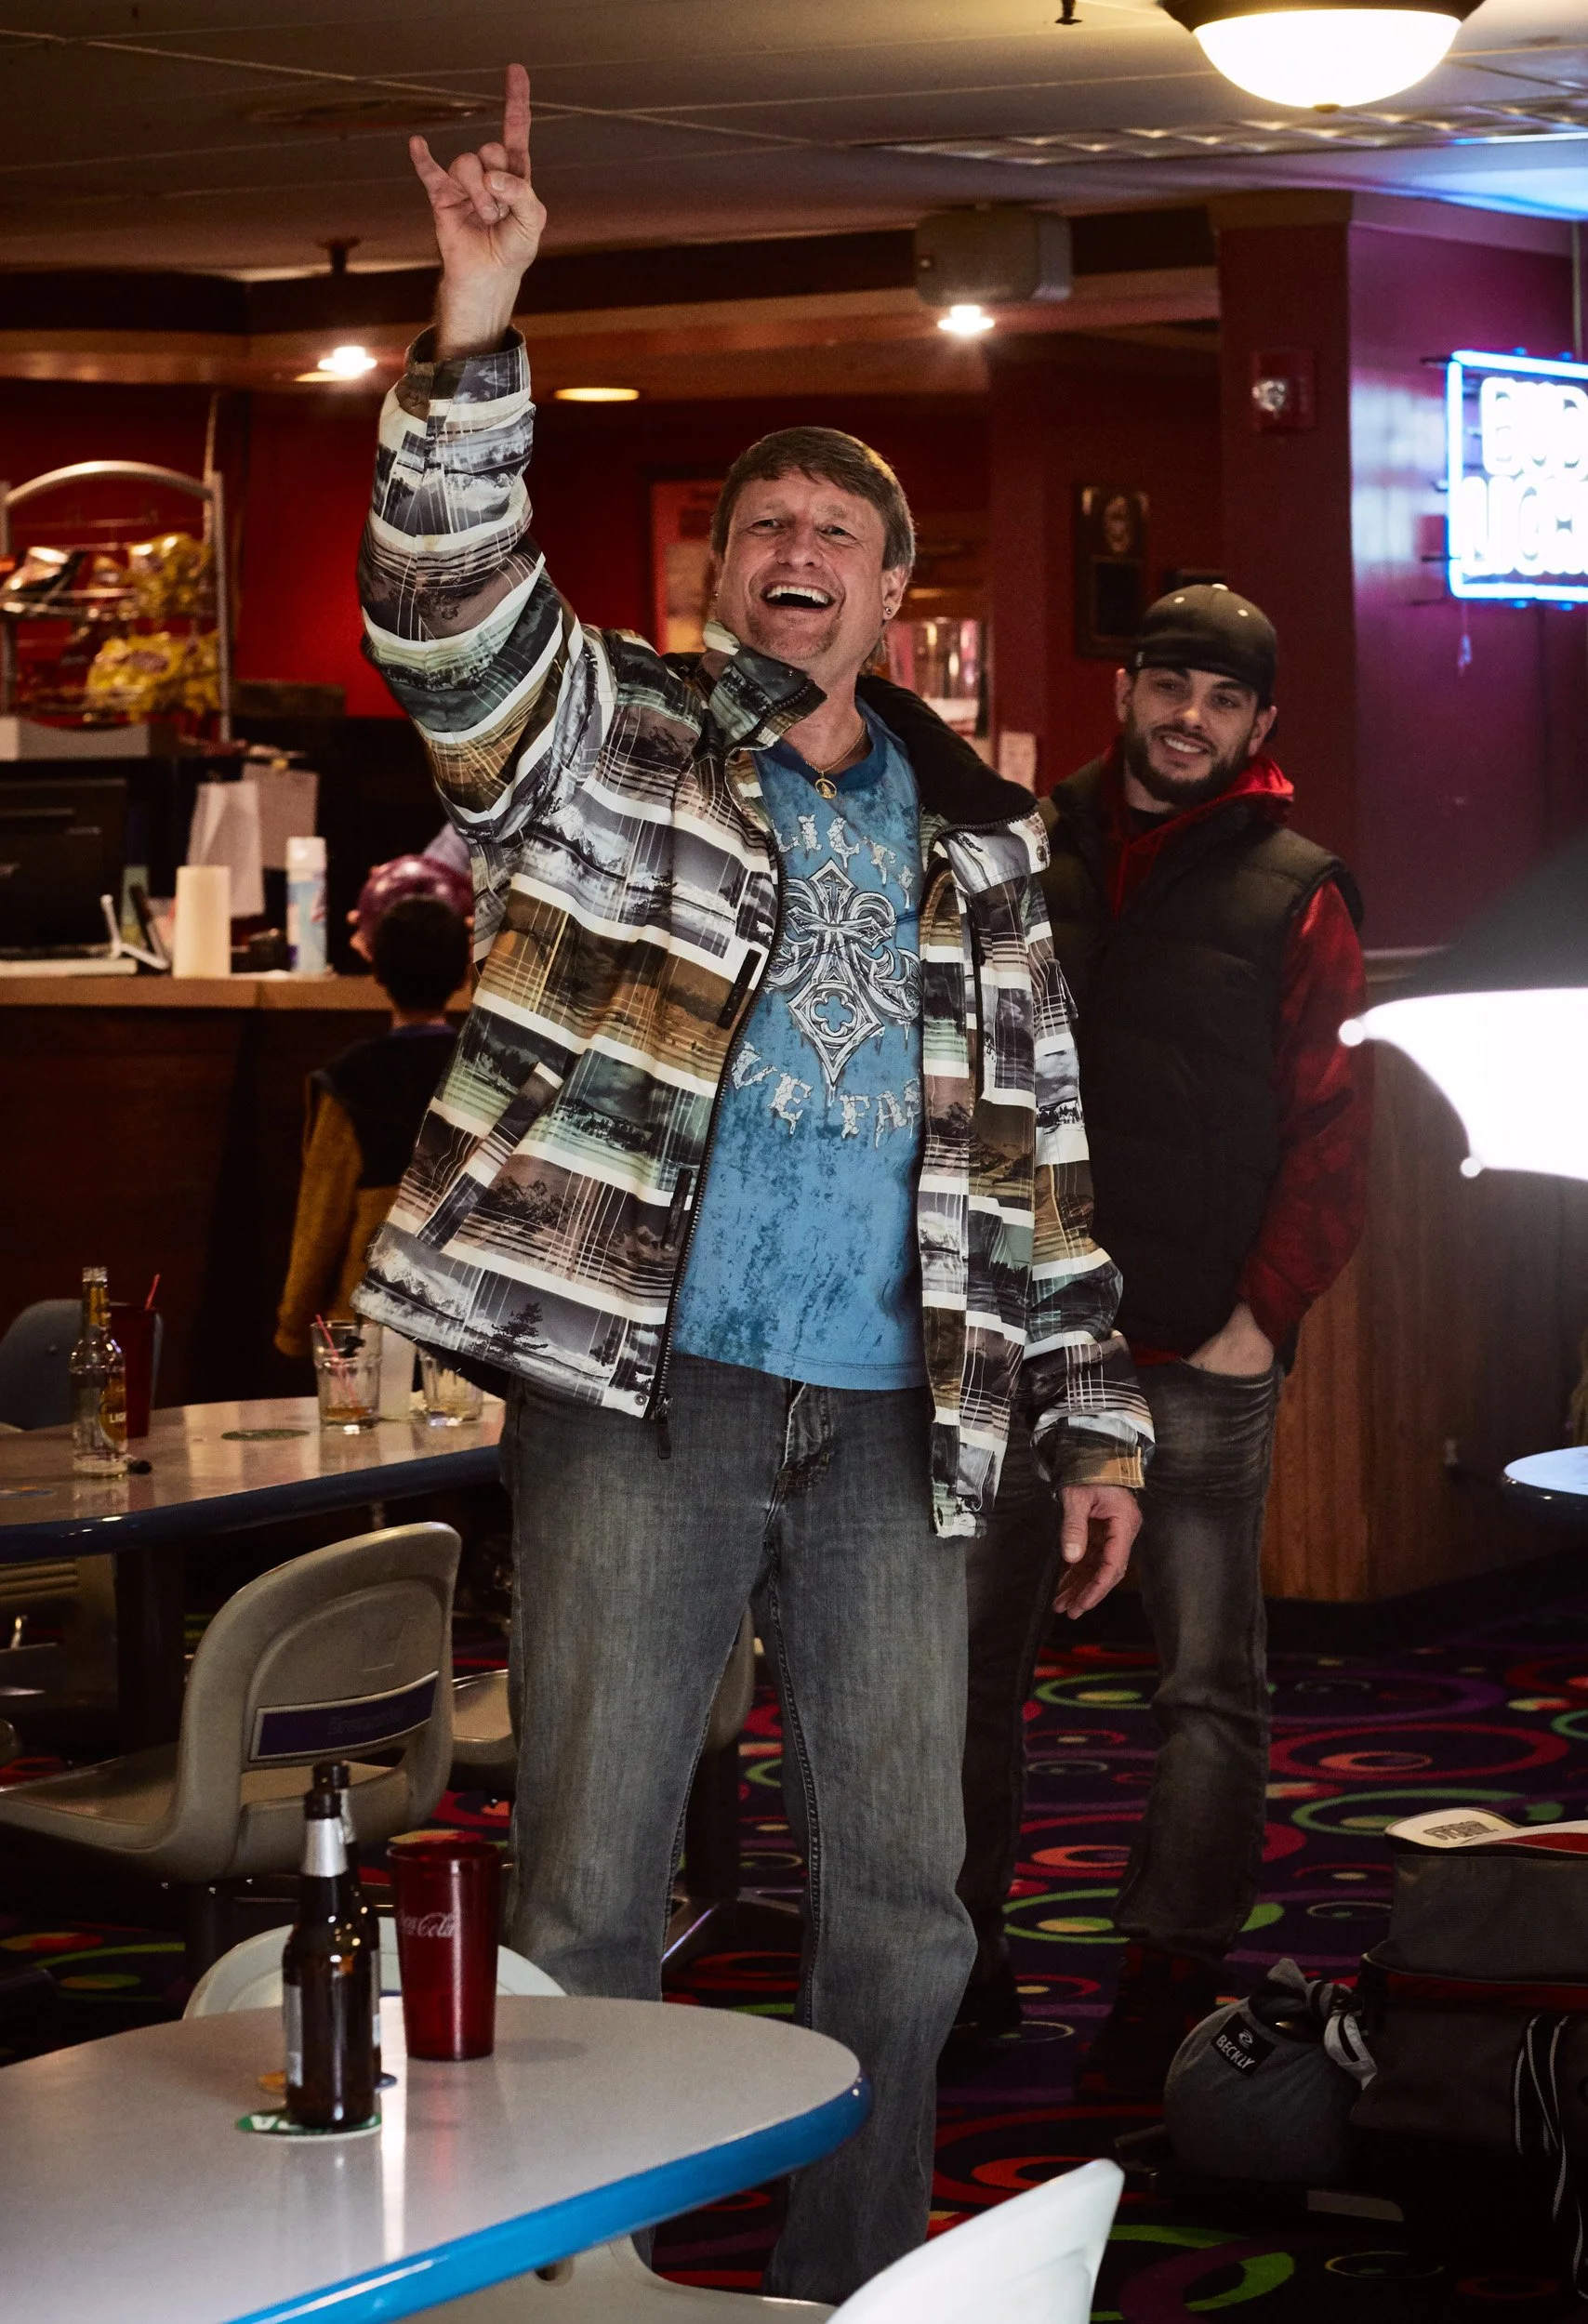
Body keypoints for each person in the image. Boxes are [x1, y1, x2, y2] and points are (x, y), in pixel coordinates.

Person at [349, 64, 1151, 2304]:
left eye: (839, 534)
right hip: (652, 1389)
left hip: (900, 1422)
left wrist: (1090, 1412)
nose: (794, 554)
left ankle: (851, 2275)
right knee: (592, 1891)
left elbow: (1041, 1155)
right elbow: (444, 622)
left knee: (907, 1904)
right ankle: (555, 2290)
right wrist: (479, 322)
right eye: (758, 529)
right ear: (718, 573)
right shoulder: (606, 744)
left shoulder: (984, 843)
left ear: (899, 592)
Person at [954, 584, 1372, 2097]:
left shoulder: (1296, 886)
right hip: (1004, 1335)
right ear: (1125, 690)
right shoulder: (1013, 848)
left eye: (1219, 698)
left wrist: (1267, 1318)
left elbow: (1332, 1120)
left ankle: (1167, 1969)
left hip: (1193, 1343)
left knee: (1203, 1678)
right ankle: (959, 1960)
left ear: (1258, 728)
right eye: (1165, 684)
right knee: (967, 1667)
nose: (1185, 715)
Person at [274, 896, 468, 1358]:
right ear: (464, 975)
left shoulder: (349, 1081)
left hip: (366, 1332)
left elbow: (321, 1218)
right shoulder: (491, 1072)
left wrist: (294, 1326)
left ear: (377, 974)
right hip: (467, 1329)